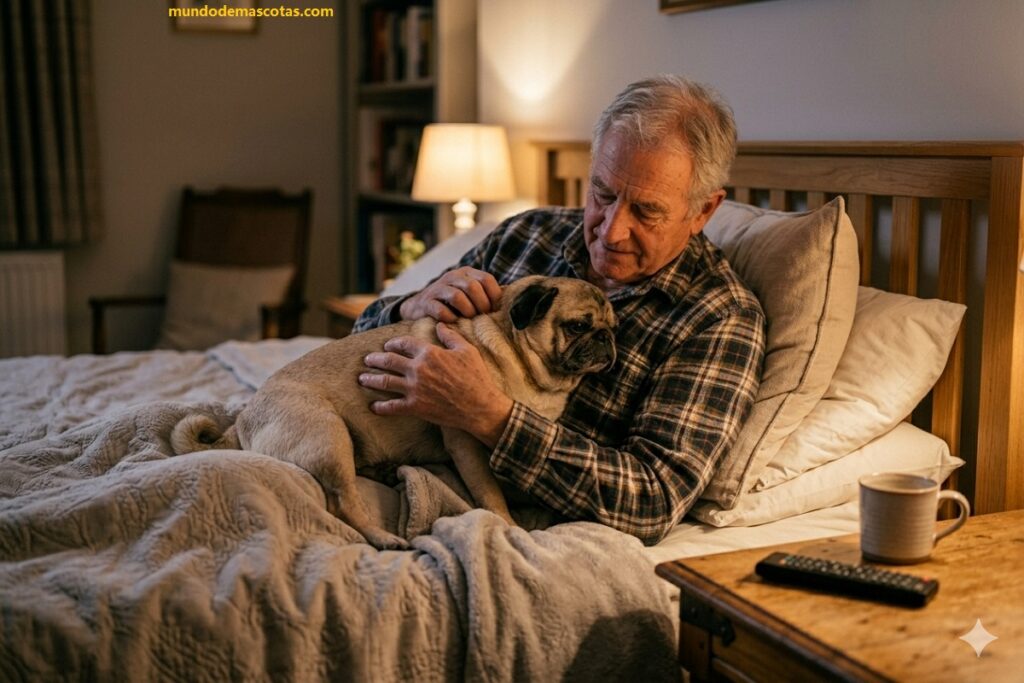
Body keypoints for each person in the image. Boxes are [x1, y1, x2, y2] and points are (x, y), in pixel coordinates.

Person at [354, 75, 766, 545]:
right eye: (603, 195)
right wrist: (410, 305)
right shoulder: (529, 234)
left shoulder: (717, 319)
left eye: (646, 211)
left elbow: (652, 499)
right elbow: (359, 337)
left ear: (703, 211)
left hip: (494, 511)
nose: (611, 232)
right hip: (380, 450)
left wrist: (491, 418)